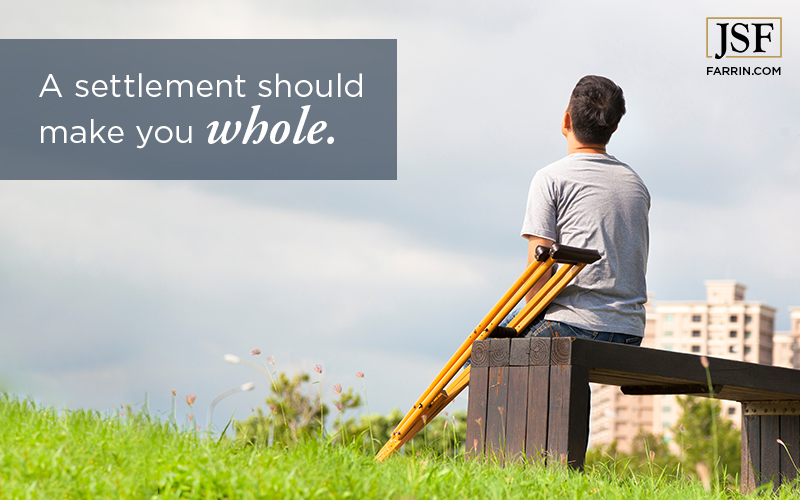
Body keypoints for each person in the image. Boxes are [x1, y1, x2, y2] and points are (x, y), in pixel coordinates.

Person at [504, 75, 650, 346]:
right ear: (615, 127)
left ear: (566, 120)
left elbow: (535, 284)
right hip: (629, 330)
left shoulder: (550, 178)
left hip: (573, 324)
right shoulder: (635, 183)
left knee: (487, 348)